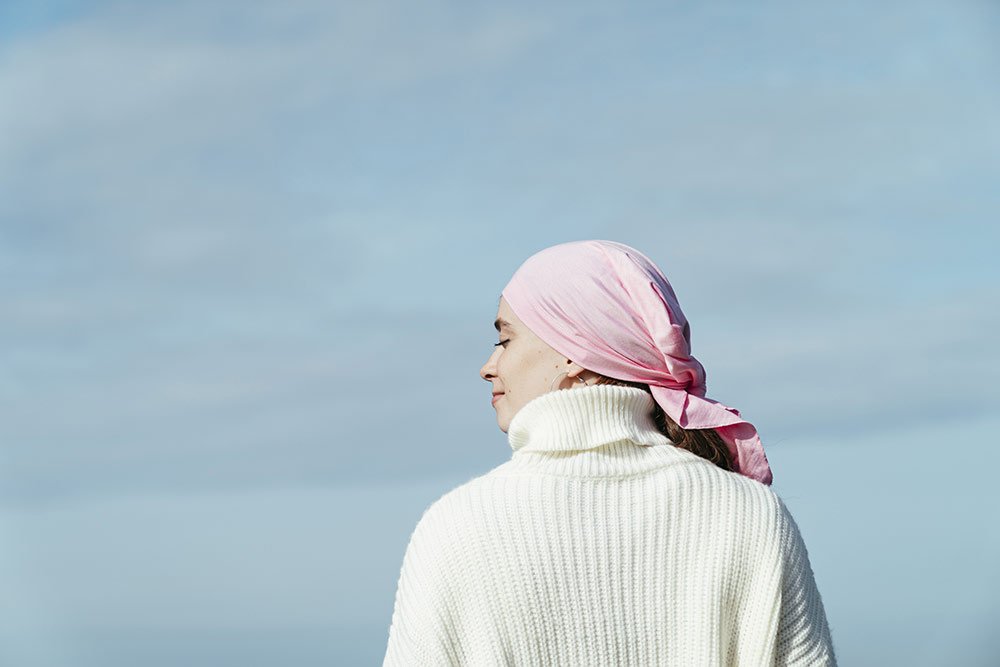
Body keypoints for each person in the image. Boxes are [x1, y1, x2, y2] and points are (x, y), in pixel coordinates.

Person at [383, 240, 835, 666]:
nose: (489, 367)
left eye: (505, 339)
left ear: (573, 352)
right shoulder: (750, 514)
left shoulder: (458, 527)